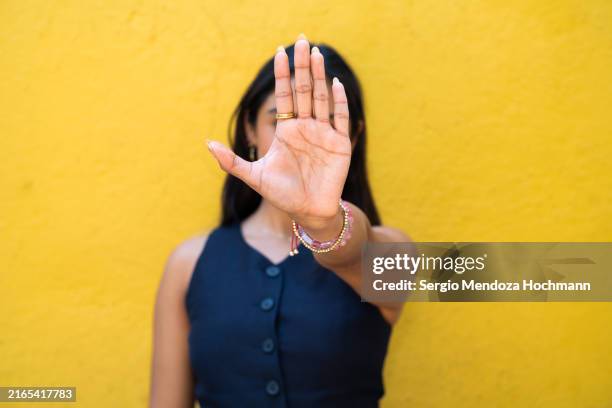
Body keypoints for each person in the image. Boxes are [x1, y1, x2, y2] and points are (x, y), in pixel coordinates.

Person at [150, 33, 411, 408]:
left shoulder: (395, 252)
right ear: (249, 130)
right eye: (282, 121)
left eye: (327, 123)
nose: (301, 141)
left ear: (353, 136)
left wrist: (321, 221)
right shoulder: (187, 264)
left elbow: (354, 250)